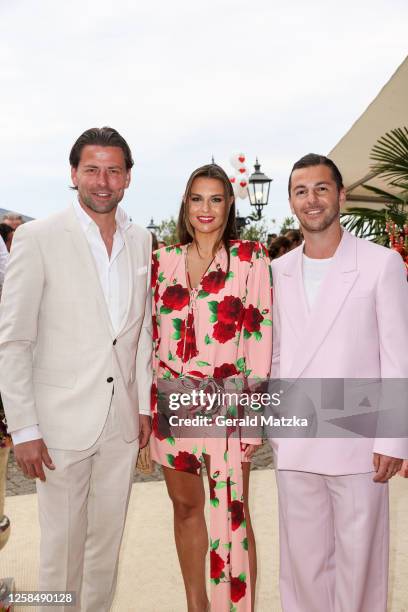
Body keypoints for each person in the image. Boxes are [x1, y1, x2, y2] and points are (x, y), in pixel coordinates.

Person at [0, 127, 152, 612]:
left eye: (113, 170)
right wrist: (24, 427)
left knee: (105, 550)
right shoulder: (37, 237)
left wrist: (145, 402)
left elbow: (142, 332)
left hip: (121, 423)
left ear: (128, 176)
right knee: (59, 553)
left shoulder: (143, 240)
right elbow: (15, 339)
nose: (102, 181)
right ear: (74, 174)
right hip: (58, 424)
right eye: (92, 169)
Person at [270, 153, 408, 612]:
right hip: (297, 436)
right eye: (301, 191)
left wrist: (395, 436)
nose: (312, 200)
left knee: (359, 563)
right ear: (291, 201)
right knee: (303, 565)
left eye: (322, 188)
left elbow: (397, 354)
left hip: (359, 437)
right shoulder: (277, 271)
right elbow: (274, 353)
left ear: (341, 195)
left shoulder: (381, 263)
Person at [150, 164, 272, 611]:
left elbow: (261, 339)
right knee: (185, 508)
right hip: (172, 406)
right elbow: (150, 340)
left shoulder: (251, 259)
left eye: (216, 199)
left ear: (229, 205)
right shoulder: (161, 262)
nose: (206, 208)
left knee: (232, 516)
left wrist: (253, 424)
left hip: (228, 410)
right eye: (197, 198)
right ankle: (196, 605)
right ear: (186, 204)